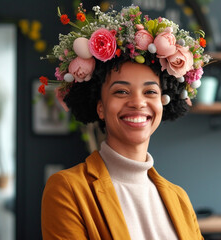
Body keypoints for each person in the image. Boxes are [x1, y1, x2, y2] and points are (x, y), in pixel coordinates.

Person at [40, 4, 211, 240]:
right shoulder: (68, 189)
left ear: (163, 102)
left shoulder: (179, 198)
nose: (138, 102)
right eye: (121, 92)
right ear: (100, 106)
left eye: (150, 92)